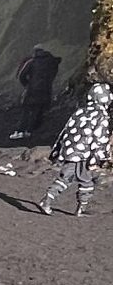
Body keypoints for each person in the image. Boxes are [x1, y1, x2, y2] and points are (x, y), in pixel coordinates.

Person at [39, 82, 112, 216]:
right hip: (84, 154)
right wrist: (101, 157)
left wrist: (57, 149)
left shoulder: (80, 111)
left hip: (70, 151)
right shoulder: (102, 116)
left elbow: (65, 131)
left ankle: (48, 200)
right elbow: (100, 139)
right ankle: (79, 208)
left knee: (66, 177)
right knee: (85, 180)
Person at [10, 44, 62, 140]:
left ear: (35, 51)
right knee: (37, 110)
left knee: (26, 110)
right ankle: (30, 131)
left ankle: (20, 131)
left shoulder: (32, 61)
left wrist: (27, 84)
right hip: (46, 89)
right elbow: (54, 72)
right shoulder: (51, 61)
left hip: (32, 89)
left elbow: (22, 75)